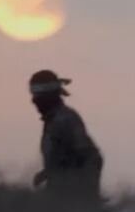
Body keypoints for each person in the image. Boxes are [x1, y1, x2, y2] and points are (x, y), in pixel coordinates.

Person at [29, 70, 104, 203]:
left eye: (38, 97)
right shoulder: (51, 122)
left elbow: (91, 158)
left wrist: (81, 195)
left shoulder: (66, 119)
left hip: (75, 202)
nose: (34, 101)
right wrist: (47, 173)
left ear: (51, 97)